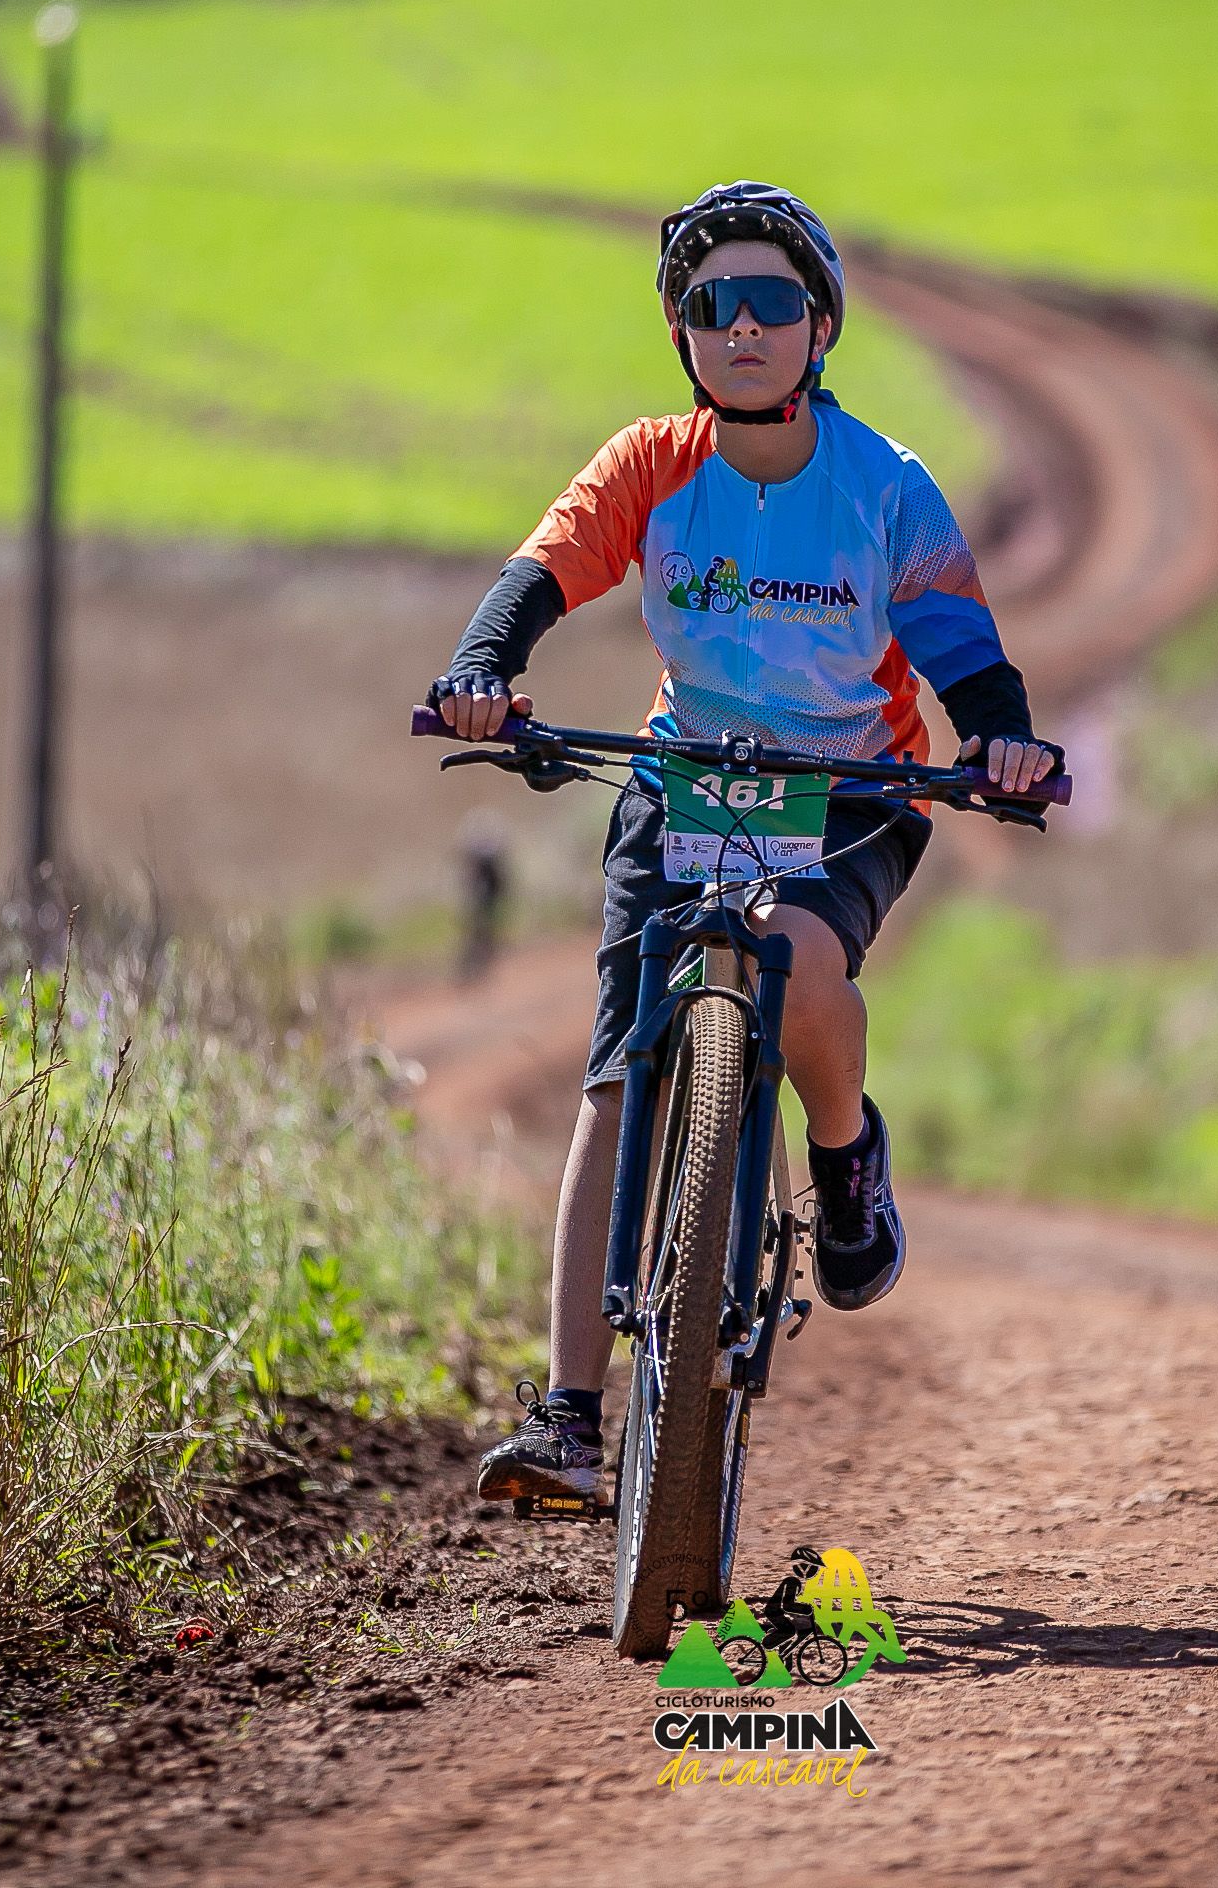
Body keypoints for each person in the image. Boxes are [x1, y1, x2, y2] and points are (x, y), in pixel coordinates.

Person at [430, 182, 1060, 1502]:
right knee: (616, 1082)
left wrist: (1003, 741)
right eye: (715, 305)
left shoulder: (886, 487)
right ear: (685, 333)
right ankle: (568, 1416)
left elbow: (964, 653)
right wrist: (485, 668)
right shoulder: (651, 464)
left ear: (821, 327)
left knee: (803, 963)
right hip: (686, 782)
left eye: (774, 301)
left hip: (851, 793)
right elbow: (541, 572)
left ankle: (842, 1156)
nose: (745, 328)